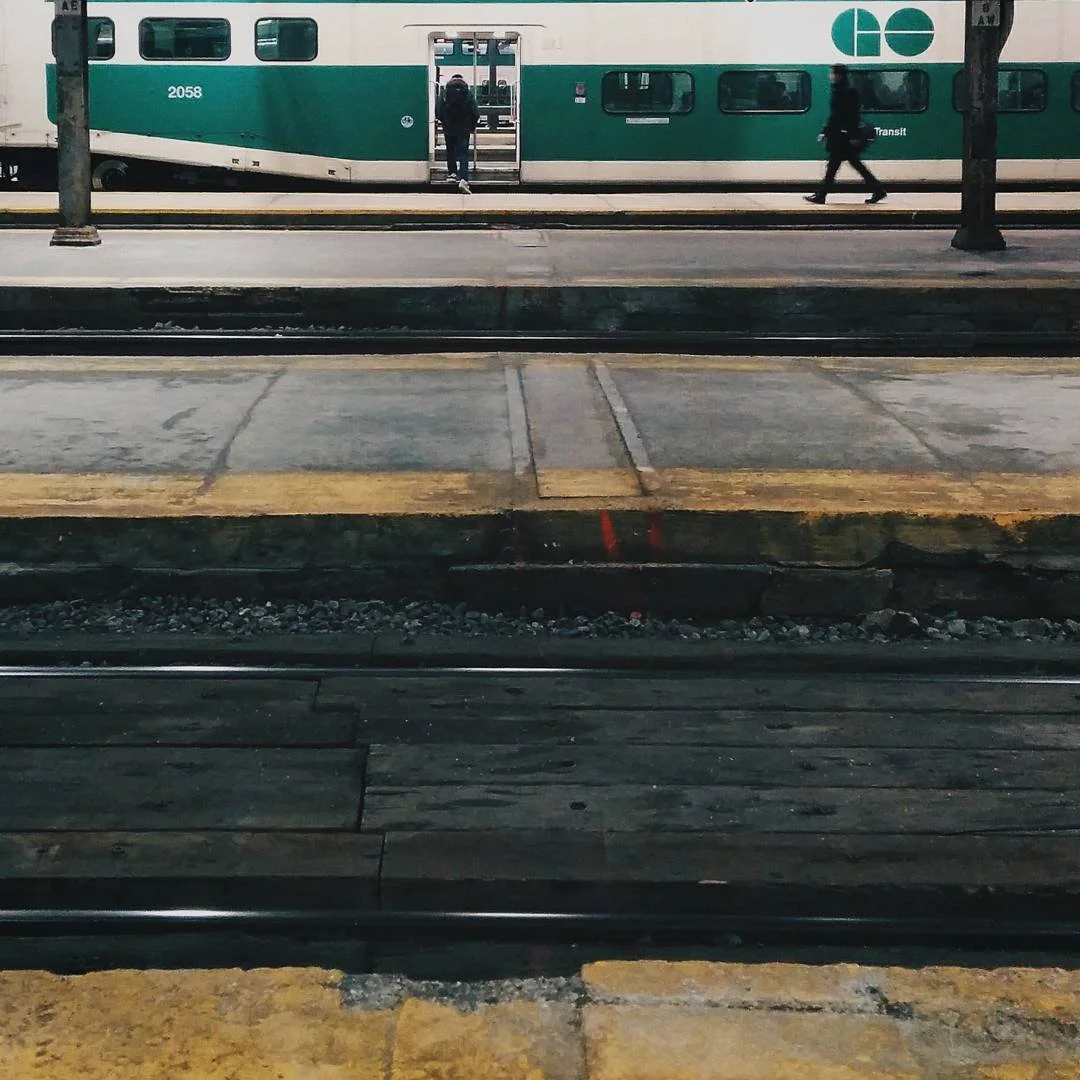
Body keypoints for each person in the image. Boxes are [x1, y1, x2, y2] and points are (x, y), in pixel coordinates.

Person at [805, 64, 886, 205]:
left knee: (835, 166)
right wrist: (825, 131)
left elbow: (850, 116)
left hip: (844, 137)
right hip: (840, 136)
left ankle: (821, 195)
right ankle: (877, 190)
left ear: (839, 75)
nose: (830, 76)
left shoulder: (847, 92)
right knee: (850, 165)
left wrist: (853, 135)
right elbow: (836, 116)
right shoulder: (840, 90)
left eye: (832, 73)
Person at [436, 73, 480, 194]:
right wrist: (471, 126)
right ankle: (463, 179)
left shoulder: (444, 93)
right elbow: (475, 112)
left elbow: (438, 111)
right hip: (464, 129)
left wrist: (444, 122)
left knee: (450, 151)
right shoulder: (468, 93)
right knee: (463, 154)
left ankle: (452, 173)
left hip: (449, 128)